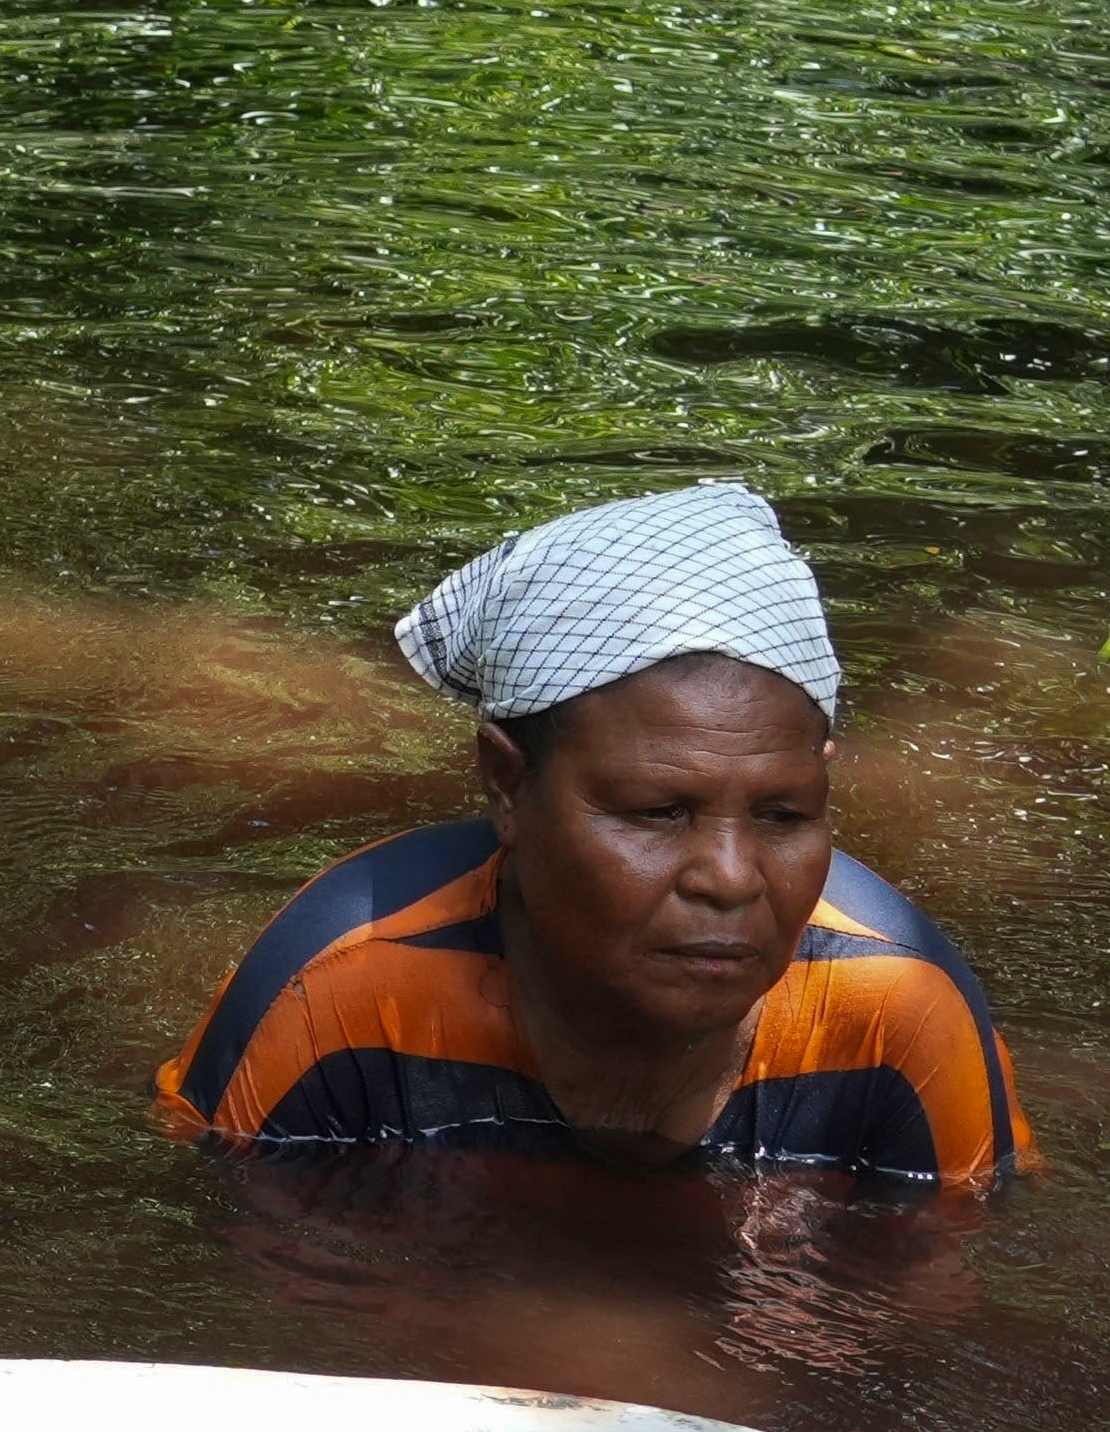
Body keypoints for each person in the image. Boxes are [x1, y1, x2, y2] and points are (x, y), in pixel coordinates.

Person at [154, 482, 1028, 1191]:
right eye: (657, 813)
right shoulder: (339, 991)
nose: (730, 879)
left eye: (783, 816)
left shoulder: (899, 1013)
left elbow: (933, 1319)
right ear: (506, 784)